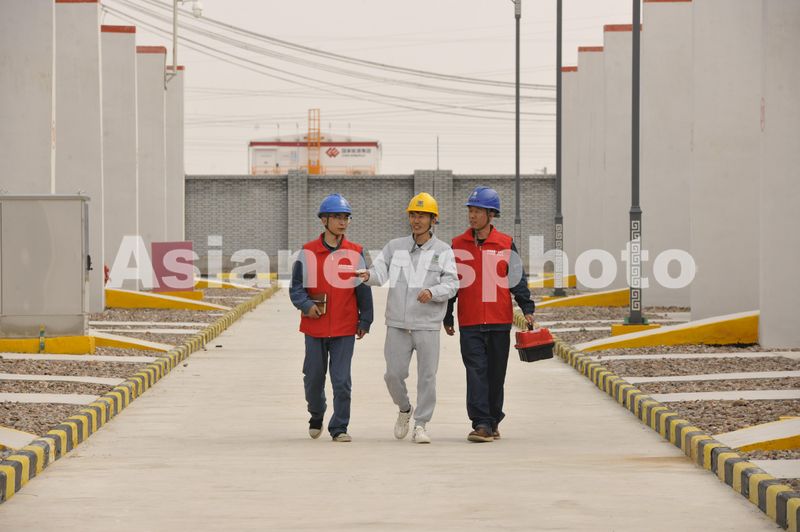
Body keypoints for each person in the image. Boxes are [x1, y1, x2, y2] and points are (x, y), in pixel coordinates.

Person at [358, 193, 458, 444]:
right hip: (398, 324)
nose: (416, 220)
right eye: (413, 215)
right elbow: (379, 272)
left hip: (427, 324)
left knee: (427, 378)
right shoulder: (395, 247)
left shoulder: (444, 251)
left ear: (433, 220)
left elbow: (452, 284)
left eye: (422, 216)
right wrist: (368, 276)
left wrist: (433, 292)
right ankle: (404, 409)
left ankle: (421, 424)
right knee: (393, 374)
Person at [444, 186, 535, 443]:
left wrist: (527, 308)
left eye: (477, 211)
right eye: (470, 211)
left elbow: (517, 279)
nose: (472, 216)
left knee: (496, 375)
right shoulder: (458, 244)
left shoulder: (505, 243)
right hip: (470, 321)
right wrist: (448, 315)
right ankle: (481, 423)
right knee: (476, 372)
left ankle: (493, 420)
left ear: (491, 214)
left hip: (499, 321)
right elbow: (452, 282)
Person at [290, 193, 373, 442]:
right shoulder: (308, 252)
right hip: (314, 327)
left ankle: (339, 427)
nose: (342, 222)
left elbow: (363, 288)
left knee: (341, 380)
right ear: (324, 220)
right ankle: (316, 414)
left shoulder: (355, 252)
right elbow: (296, 288)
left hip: (344, 328)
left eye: (346, 217)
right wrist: (306, 305)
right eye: (337, 217)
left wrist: (365, 320)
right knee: (313, 378)